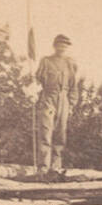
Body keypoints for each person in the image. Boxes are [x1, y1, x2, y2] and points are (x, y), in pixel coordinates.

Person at [35, 34, 79, 173]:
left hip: (64, 99)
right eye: (60, 44)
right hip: (49, 97)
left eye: (65, 45)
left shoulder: (70, 63)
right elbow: (37, 79)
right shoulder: (46, 61)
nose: (62, 47)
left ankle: (55, 167)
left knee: (60, 134)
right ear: (55, 46)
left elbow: (73, 86)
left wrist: (71, 105)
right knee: (46, 131)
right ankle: (43, 167)